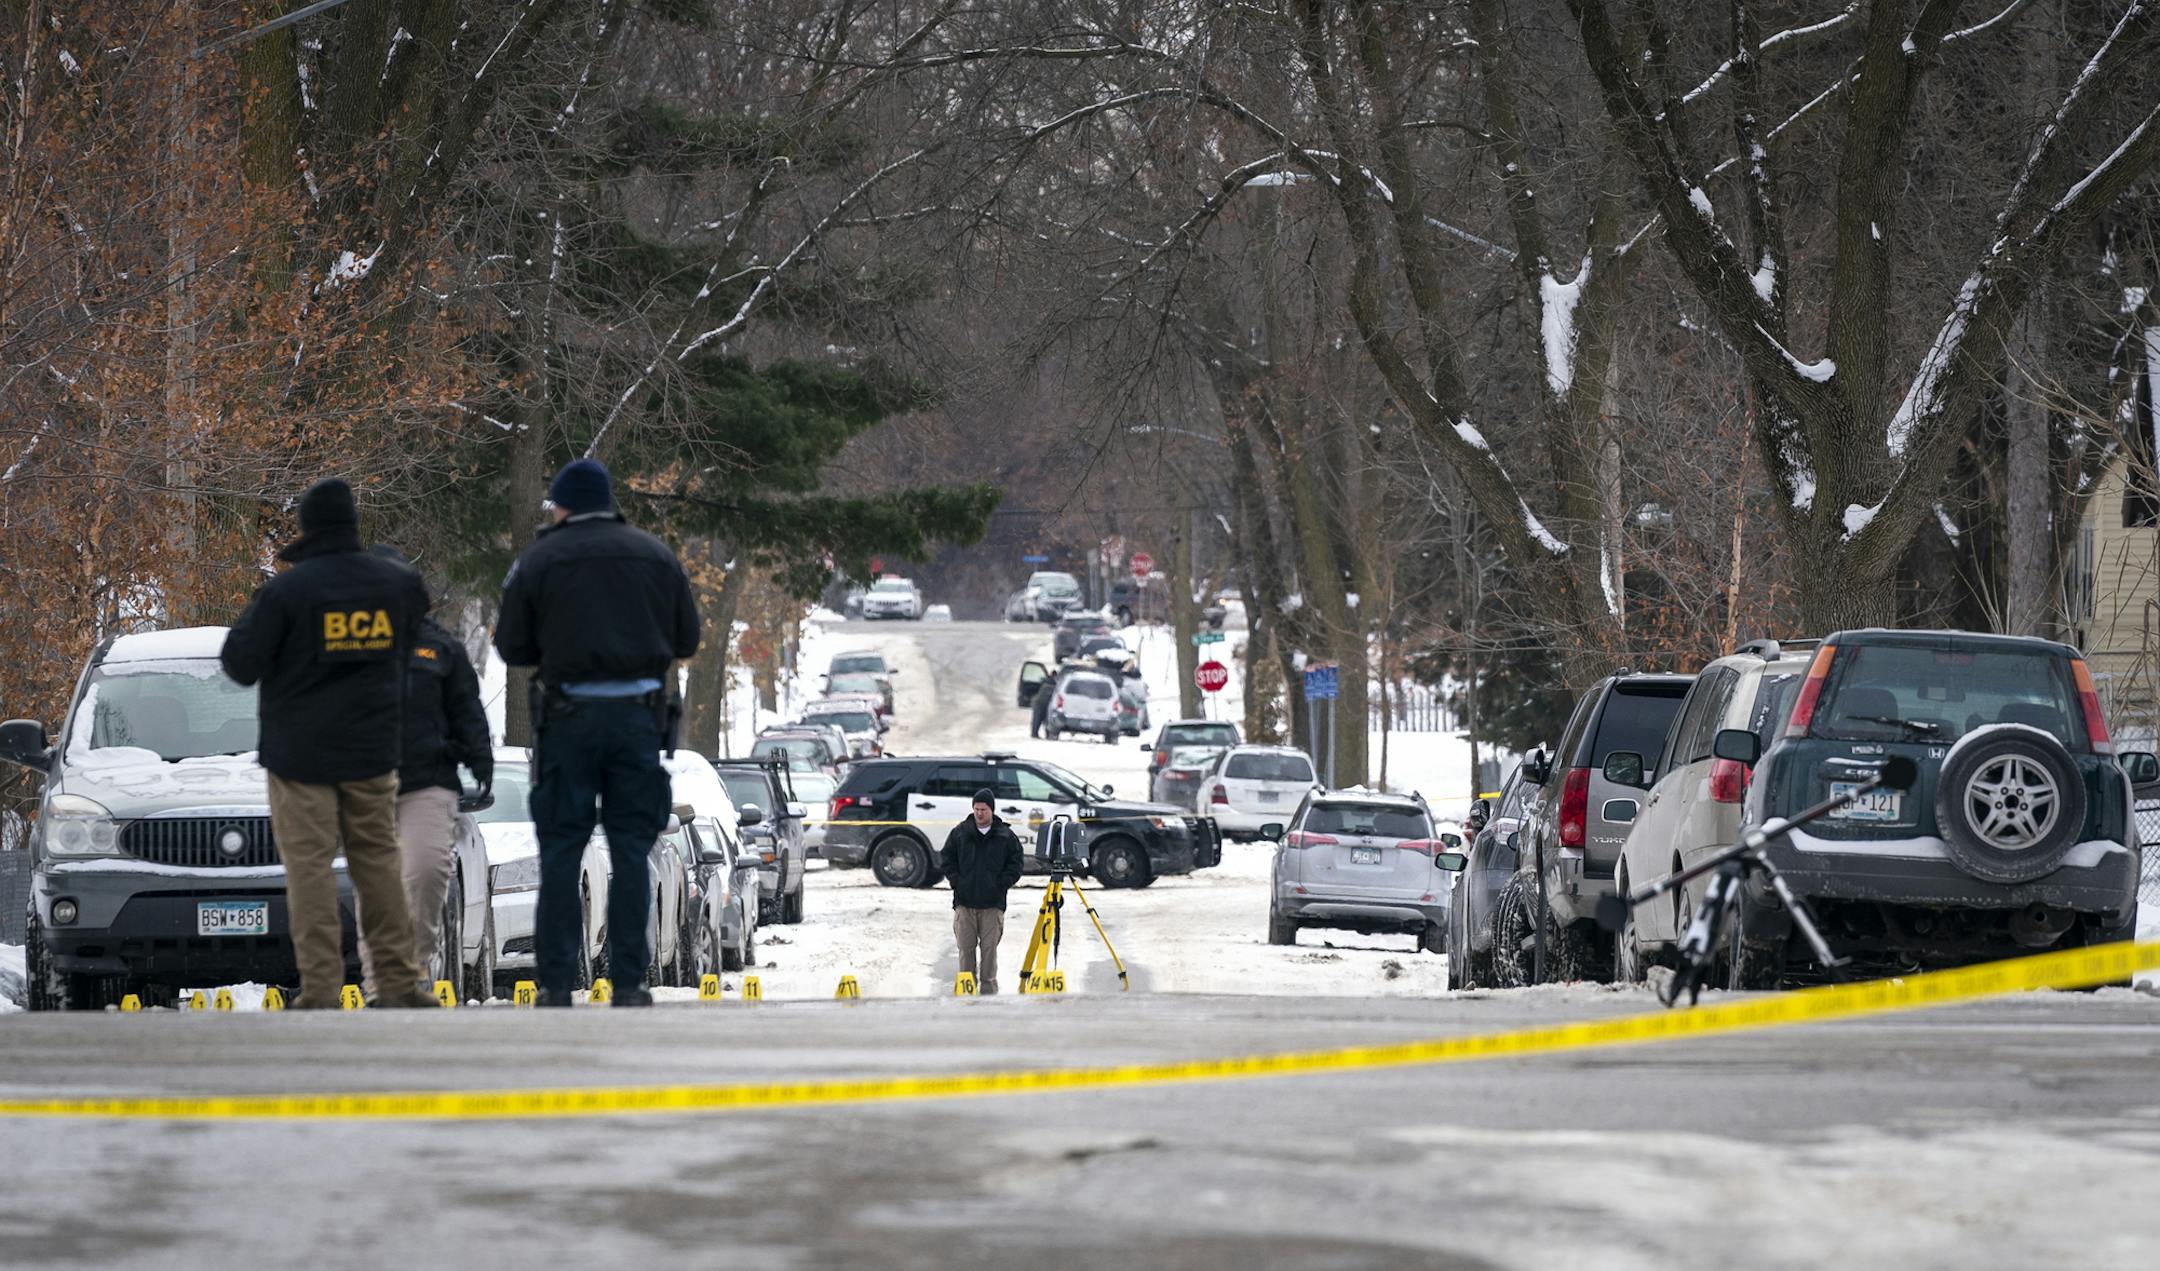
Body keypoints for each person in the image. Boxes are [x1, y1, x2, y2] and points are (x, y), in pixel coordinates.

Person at [220, 478, 435, 1009]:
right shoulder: (396, 586)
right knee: (379, 864)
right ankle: (398, 984)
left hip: (300, 759)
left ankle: (319, 989)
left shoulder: (286, 594)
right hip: (372, 750)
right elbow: (411, 639)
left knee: (310, 870)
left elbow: (238, 664)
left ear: (307, 527)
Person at [495, 458, 699, 1008]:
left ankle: (557, 984)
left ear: (562, 506)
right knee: (633, 851)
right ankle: (629, 983)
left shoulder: (538, 559)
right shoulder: (655, 556)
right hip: (636, 722)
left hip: (567, 722)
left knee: (562, 851)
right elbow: (687, 636)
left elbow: (511, 646)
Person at [360, 547, 492, 997]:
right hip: (366, 781)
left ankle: (413, 969)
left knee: (427, 873)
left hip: (429, 781)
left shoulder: (440, 648)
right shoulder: (346, 644)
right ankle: (381, 982)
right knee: (377, 884)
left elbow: (467, 711)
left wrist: (481, 760)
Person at [938, 788, 1023, 994]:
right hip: (965, 904)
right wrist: (957, 881)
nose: (979, 813)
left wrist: (1001, 884)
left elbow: (1016, 864)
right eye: (976, 809)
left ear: (991, 810)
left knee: (989, 953)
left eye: (983, 809)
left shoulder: (1005, 835)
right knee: (965, 951)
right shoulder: (960, 833)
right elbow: (946, 858)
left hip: (992, 906)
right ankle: (966, 991)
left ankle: (989, 993)